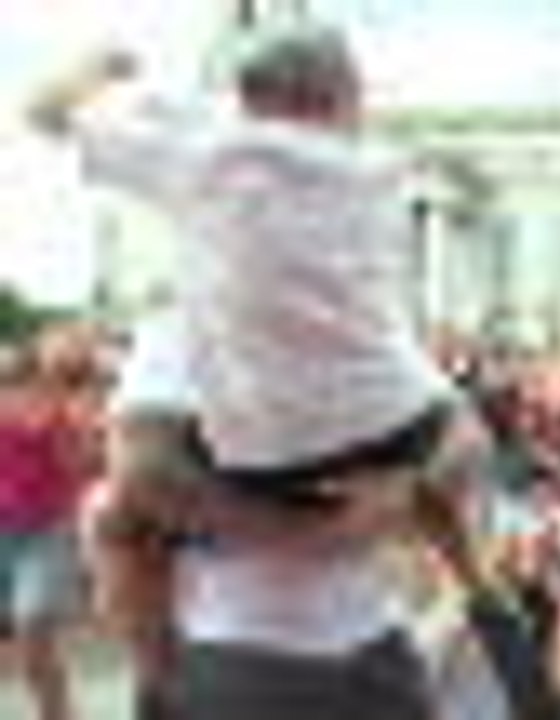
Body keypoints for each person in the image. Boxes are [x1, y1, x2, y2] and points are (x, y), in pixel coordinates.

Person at [32, 29, 485, 720]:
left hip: (240, 658)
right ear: (348, 104)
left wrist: (280, 532)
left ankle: (154, 675)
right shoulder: (375, 244)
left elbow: (143, 477)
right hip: (367, 653)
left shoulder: (206, 185)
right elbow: (469, 443)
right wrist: (393, 504)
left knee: (107, 516)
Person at [0, 343, 90, 720]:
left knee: (31, 626)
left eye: (19, 379)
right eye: (7, 381)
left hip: (46, 533)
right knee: (28, 645)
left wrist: (56, 430)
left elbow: (78, 467)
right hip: (5, 533)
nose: (13, 388)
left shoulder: (56, 416)